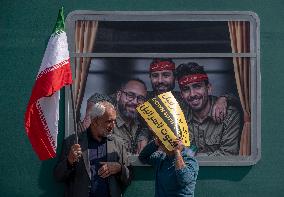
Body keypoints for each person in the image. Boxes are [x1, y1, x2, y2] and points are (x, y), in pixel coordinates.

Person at [54, 100, 131, 197]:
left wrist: (119, 168)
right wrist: (69, 161)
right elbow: (58, 176)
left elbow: (129, 178)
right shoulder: (73, 142)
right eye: (108, 121)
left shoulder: (118, 144)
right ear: (94, 121)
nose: (112, 126)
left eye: (114, 121)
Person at [176, 62, 242, 156]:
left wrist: (225, 98)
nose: (192, 94)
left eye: (197, 86)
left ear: (209, 88)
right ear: (182, 95)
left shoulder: (229, 114)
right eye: (186, 89)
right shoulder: (178, 117)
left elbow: (228, 155)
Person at [147, 58, 230, 123]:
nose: (160, 80)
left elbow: (209, 99)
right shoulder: (142, 98)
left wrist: (224, 98)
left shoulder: (184, 100)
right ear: (150, 77)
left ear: (174, 78)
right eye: (155, 76)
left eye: (166, 75)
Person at [113, 78, 152, 154]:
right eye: (130, 95)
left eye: (140, 98)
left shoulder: (141, 122)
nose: (135, 102)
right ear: (118, 95)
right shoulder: (104, 121)